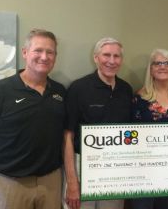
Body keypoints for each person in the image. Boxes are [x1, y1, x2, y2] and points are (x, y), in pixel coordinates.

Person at [0, 29, 65, 209]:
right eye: (38, 50)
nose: (44, 57)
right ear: (25, 52)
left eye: (50, 52)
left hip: (51, 182)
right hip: (10, 184)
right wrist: (4, 168)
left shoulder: (60, 92)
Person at [63, 37, 132, 209]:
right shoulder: (78, 88)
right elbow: (67, 136)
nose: (111, 61)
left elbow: (129, 134)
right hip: (83, 166)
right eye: (106, 55)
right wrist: (72, 182)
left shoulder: (126, 90)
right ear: (96, 58)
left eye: (116, 56)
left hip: (115, 169)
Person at [129, 49, 168, 209]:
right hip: (143, 171)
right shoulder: (139, 98)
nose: (162, 66)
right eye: (157, 63)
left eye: (167, 63)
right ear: (150, 69)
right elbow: (131, 137)